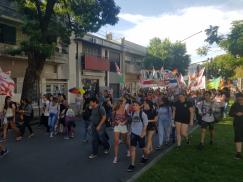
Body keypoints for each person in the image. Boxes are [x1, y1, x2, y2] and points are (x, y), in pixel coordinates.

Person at [128, 101, 149, 172]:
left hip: (140, 134)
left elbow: (146, 124)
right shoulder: (132, 113)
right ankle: (132, 164)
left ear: (140, 106)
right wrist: (130, 131)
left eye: (136, 105)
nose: (134, 106)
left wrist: (143, 133)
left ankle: (145, 157)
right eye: (133, 105)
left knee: (143, 148)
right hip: (134, 133)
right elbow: (132, 123)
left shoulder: (143, 114)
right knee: (132, 148)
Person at [112, 98, 128, 164]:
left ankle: (128, 149)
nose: (125, 104)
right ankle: (115, 157)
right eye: (124, 103)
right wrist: (116, 121)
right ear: (121, 104)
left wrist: (124, 122)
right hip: (117, 126)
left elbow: (128, 118)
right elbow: (112, 119)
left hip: (123, 126)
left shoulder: (125, 110)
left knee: (125, 141)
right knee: (116, 142)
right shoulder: (115, 110)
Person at [229, 93, 243, 159]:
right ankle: (238, 153)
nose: (240, 99)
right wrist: (236, 113)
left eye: (241, 98)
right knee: (238, 137)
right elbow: (230, 113)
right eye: (238, 98)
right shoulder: (235, 105)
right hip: (237, 124)